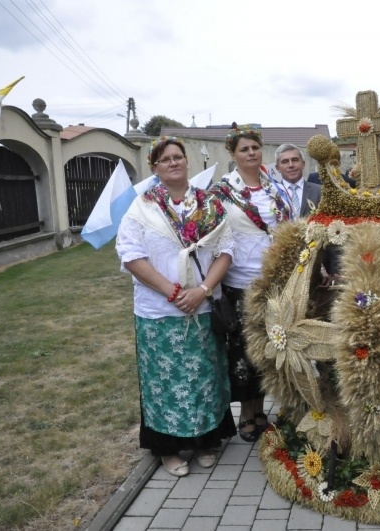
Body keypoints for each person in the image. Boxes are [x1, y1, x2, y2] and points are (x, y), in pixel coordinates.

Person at [116, 136, 236, 477]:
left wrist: (202, 290)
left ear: (187, 162)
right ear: (154, 167)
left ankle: (205, 441)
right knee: (164, 383)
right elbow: (131, 256)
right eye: (164, 159)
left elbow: (225, 251)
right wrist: (173, 292)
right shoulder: (141, 208)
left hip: (202, 306)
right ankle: (168, 450)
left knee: (204, 377)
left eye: (178, 156)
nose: (173, 162)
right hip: (158, 314)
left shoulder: (209, 205)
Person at [209, 125, 291, 443]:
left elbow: (286, 227)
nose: (251, 153)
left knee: (270, 347)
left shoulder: (275, 187)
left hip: (273, 279)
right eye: (244, 149)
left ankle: (264, 410)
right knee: (242, 351)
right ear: (233, 154)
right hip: (238, 281)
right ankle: (246, 414)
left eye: (255, 147)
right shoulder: (222, 192)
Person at [272, 143, 322, 219]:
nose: (291, 165)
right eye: (285, 162)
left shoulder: (320, 191)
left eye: (295, 160)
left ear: (303, 164)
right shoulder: (272, 193)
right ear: (277, 168)